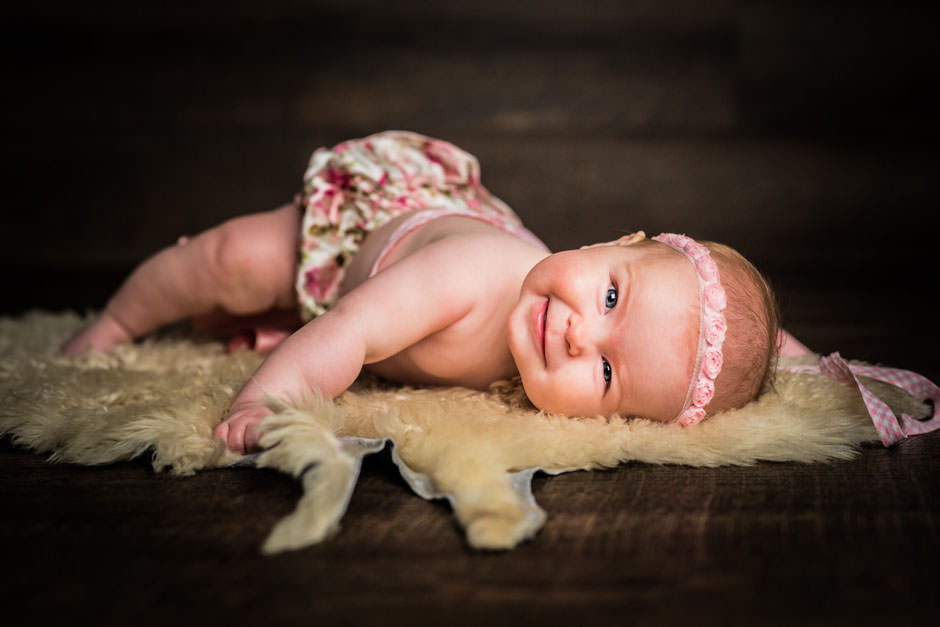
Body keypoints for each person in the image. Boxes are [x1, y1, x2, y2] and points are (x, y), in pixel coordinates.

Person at [59, 131, 790, 453]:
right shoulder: (466, 279)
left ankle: (280, 319)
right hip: (364, 233)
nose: (578, 336)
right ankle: (116, 321)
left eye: (605, 373)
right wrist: (263, 402)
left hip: (406, 290)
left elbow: (731, 336)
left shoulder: (575, 329)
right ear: (612, 244)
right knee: (234, 263)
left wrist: (799, 355)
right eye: (608, 300)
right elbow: (349, 331)